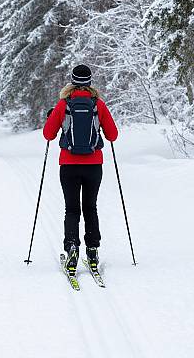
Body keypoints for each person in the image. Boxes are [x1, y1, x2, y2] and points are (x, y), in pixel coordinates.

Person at [43, 65, 118, 274]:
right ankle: (92, 250)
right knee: (90, 207)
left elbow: (48, 135)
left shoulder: (63, 104)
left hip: (68, 165)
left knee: (72, 209)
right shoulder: (98, 105)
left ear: (72, 81)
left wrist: (52, 117)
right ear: (90, 82)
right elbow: (112, 136)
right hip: (94, 165)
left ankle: (72, 248)